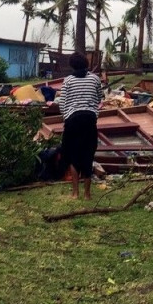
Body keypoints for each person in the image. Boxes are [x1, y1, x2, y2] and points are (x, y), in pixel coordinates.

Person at [58, 52, 102, 199]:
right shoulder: (95, 79)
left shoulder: (68, 81)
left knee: (73, 155)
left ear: (72, 65)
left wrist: (66, 117)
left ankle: (75, 193)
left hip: (73, 120)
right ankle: (87, 194)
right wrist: (94, 113)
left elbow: (62, 102)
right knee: (88, 154)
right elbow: (99, 99)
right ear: (86, 64)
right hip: (89, 119)